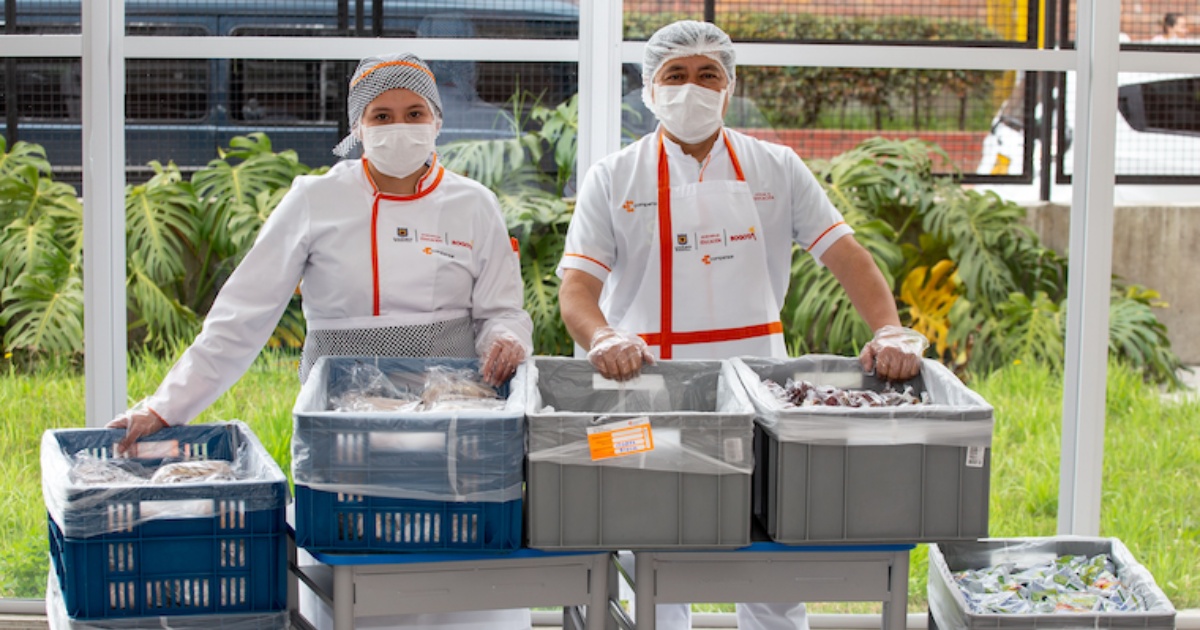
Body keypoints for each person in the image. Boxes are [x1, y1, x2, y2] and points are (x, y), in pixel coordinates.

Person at [109, 52, 534, 630]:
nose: (398, 126)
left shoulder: (474, 204)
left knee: (455, 564)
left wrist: (505, 338)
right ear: (358, 128)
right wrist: (167, 404)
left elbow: (502, 309)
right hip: (342, 423)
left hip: (454, 414)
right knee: (357, 561)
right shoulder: (315, 199)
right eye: (381, 116)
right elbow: (242, 313)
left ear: (437, 121)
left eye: (413, 112)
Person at [557, 20, 927, 630]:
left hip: (759, 393)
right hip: (643, 393)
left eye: (710, 75)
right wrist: (603, 337)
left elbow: (846, 256)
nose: (692, 88)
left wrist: (889, 329)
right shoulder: (613, 177)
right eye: (675, 75)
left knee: (768, 549)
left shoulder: (775, 167)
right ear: (649, 89)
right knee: (648, 545)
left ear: (730, 88)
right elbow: (577, 290)